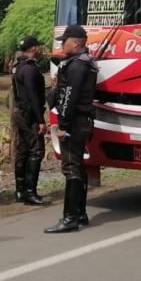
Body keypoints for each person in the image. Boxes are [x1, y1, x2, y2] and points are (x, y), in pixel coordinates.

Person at [44, 25, 98, 234]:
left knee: (71, 167)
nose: (62, 44)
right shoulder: (84, 62)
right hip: (81, 120)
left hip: (74, 122)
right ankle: (80, 213)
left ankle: (70, 218)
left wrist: (63, 126)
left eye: (64, 40)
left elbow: (69, 97)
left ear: (75, 43)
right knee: (77, 164)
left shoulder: (76, 66)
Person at [12, 36, 49, 206]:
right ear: (34, 48)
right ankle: (30, 191)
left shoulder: (18, 66)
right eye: (40, 47)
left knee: (23, 150)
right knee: (36, 151)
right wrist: (41, 120)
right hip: (29, 114)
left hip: (20, 112)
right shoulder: (30, 69)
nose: (42, 50)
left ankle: (20, 190)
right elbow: (33, 96)